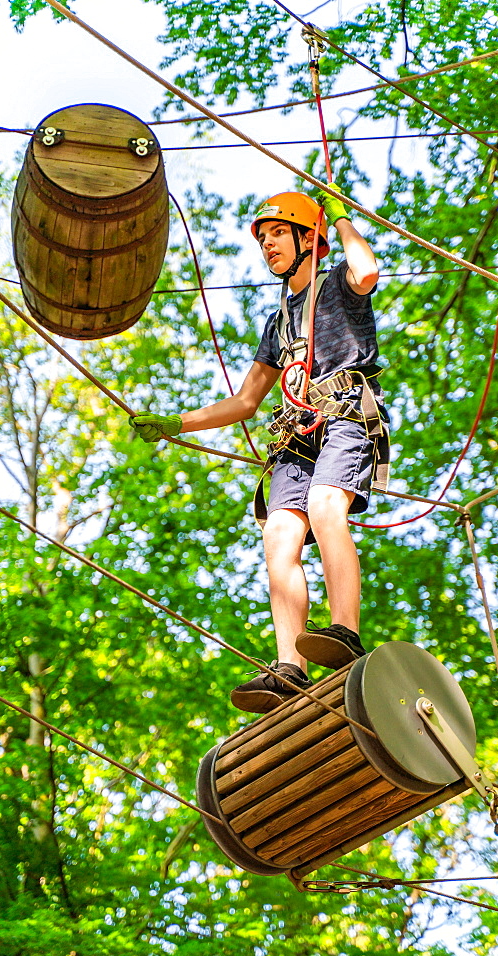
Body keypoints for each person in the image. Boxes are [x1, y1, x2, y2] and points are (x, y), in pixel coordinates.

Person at [130, 185, 388, 714]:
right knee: (278, 533)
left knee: (324, 507)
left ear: (305, 237)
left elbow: (367, 271)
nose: (268, 246)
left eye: (278, 234)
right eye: (263, 238)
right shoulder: (279, 324)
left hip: (343, 416)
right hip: (296, 434)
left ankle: (344, 630)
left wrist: (339, 221)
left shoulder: (339, 284)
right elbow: (246, 400)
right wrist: (177, 423)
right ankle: (289, 666)